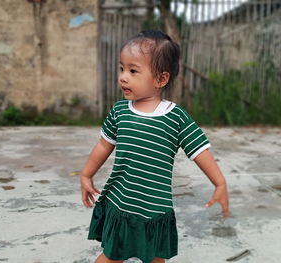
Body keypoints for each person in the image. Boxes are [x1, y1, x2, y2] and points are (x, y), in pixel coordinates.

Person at [80, 30, 229, 263]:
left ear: (161, 79)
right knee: (110, 256)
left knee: (155, 259)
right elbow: (103, 145)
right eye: (122, 68)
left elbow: (200, 151)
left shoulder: (176, 118)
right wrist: (86, 174)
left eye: (133, 70)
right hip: (122, 203)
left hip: (154, 211)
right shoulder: (120, 111)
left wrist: (219, 182)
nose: (123, 77)